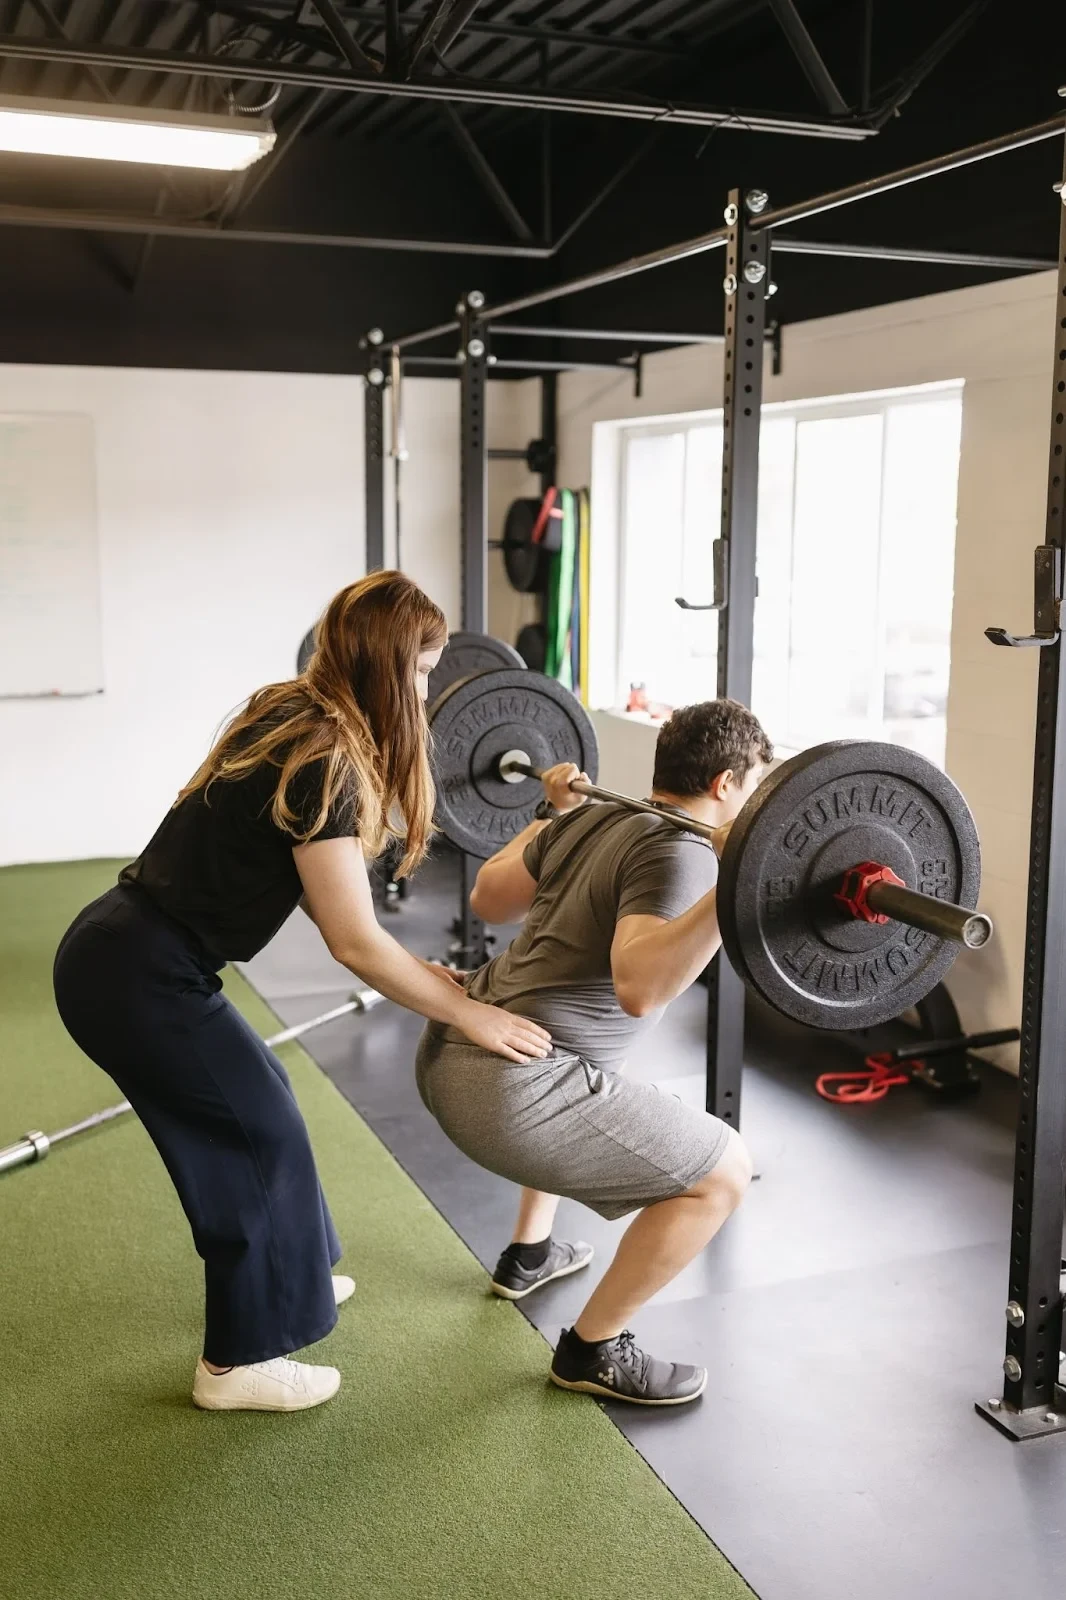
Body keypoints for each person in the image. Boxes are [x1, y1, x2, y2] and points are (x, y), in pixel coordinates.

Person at [53, 572, 552, 1414]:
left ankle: (301, 1271)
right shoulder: (326, 760)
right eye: (425, 670)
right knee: (254, 1137)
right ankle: (236, 1363)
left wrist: (428, 978)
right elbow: (352, 939)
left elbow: (354, 925)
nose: (430, 688)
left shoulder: (293, 706)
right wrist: (468, 1010)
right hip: (138, 974)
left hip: (126, 950)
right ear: (391, 669)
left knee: (268, 1100)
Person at [415, 699, 772, 1406]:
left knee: (593, 1066)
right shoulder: (682, 849)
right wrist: (735, 877)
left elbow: (490, 896)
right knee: (724, 1172)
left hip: (453, 1046)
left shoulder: (594, 814)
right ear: (727, 783)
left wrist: (549, 810)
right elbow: (641, 987)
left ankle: (529, 1251)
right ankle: (592, 1350)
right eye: (757, 786)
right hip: (508, 1088)